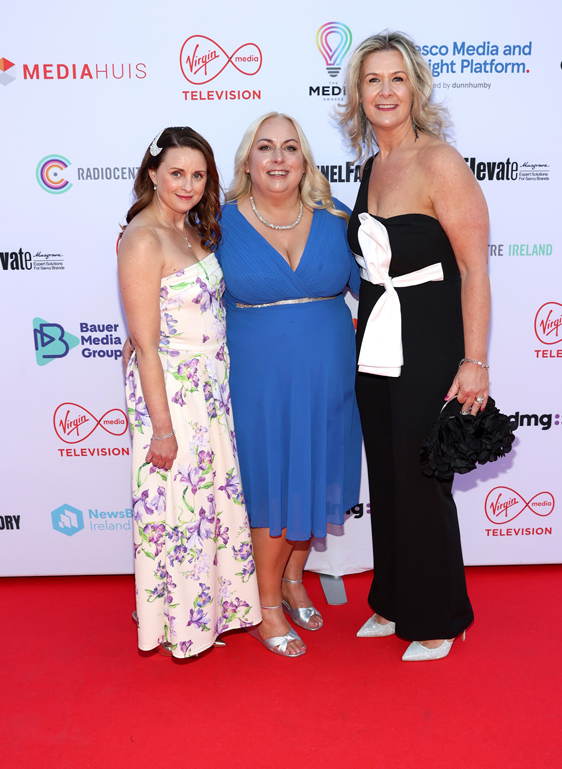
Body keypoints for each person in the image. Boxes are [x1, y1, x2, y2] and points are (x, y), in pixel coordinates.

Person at [339, 32, 490, 661]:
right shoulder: (372, 165)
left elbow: (475, 269)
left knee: (423, 473)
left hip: (429, 336)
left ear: (416, 89)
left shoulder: (440, 162)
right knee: (388, 472)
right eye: (373, 80)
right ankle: (393, 598)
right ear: (358, 95)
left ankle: (439, 614)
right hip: (377, 332)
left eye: (396, 78)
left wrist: (474, 360)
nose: (385, 91)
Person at [217, 112, 362, 657]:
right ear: (247, 162)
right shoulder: (219, 223)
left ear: (305, 161)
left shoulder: (335, 218)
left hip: (328, 374)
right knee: (270, 486)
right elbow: (180, 285)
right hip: (256, 379)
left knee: (313, 475)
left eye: (290, 148)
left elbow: (378, 287)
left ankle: (295, 578)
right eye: (265, 148)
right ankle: (266, 604)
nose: (278, 159)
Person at [118, 126, 261, 658]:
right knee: (178, 512)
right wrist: (160, 427)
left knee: (205, 508)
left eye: (198, 175)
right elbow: (147, 345)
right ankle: (180, 626)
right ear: (152, 174)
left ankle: (206, 614)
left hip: (208, 396)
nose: (187, 184)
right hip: (172, 399)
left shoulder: (193, 232)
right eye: (176, 173)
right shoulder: (142, 238)